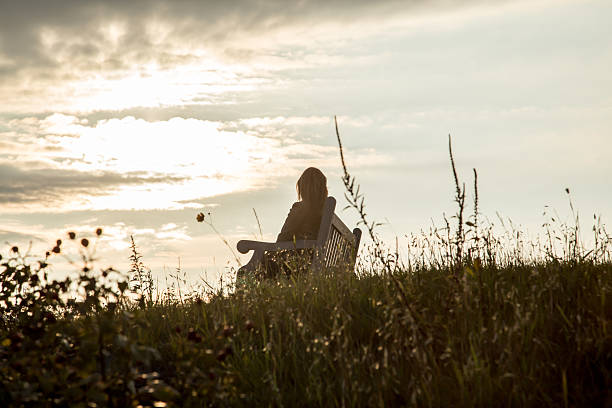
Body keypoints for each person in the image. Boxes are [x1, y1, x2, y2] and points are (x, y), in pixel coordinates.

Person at [261, 167, 328, 278]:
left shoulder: (301, 208)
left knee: (246, 271)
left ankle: (247, 295)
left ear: (302, 187)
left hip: (295, 264)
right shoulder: (325, 213)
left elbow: (283, 238)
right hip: (313, 263)